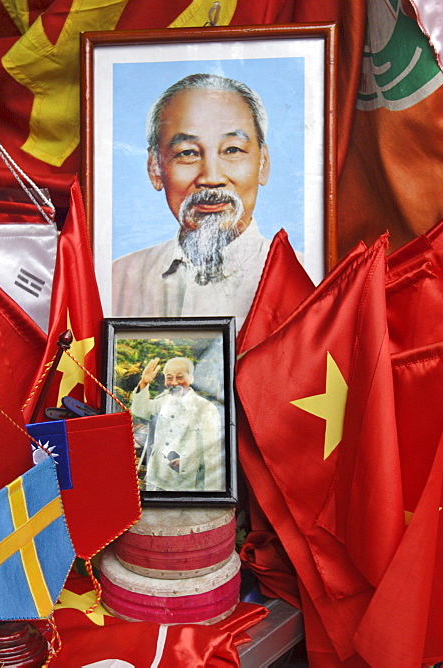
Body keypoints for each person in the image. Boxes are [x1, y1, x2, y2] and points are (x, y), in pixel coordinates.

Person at [112, 73, 290, 324]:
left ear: (263, 163)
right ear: (155, 168)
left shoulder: (305, 280)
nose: (211, 177)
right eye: (187, 153)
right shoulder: (117, 279)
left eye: (232, 150)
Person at [130, 356, 222, 492]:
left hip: (187, 484)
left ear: (191, 378)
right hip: (156, 479)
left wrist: (211, 495)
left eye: (179, 377)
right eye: (169, 377)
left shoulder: (206, 409)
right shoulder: (163, 400)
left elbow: (212, 455)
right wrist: (144, 382)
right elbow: (140, 410)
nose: (174, 382)